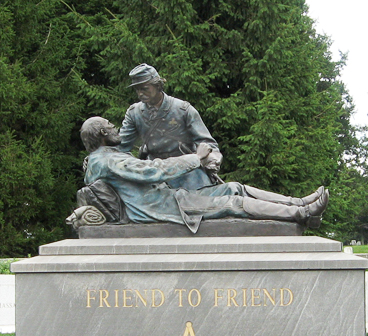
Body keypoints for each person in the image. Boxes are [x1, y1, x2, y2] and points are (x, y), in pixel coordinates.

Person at [80, 116, 326, 232]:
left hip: (169, 198)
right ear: (102, 133)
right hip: (161, 207)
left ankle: (299, 202)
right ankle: (300, 213)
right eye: (110, 126)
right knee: (234, 202)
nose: (114, 128)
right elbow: (152, 171)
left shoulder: (103, 159)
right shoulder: (106, 159)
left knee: (234, 187)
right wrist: (195, 159)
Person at [119, 64, 221, 190]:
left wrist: (212, 160)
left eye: (144, 88)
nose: (140, 93)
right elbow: (120, 147)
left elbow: (208, 143)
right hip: (156, 173)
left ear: (158, 86)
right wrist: (98, 154)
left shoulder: (183, 110)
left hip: (188, 172)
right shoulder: (134, 113)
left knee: (203, 201)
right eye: (137, 89)